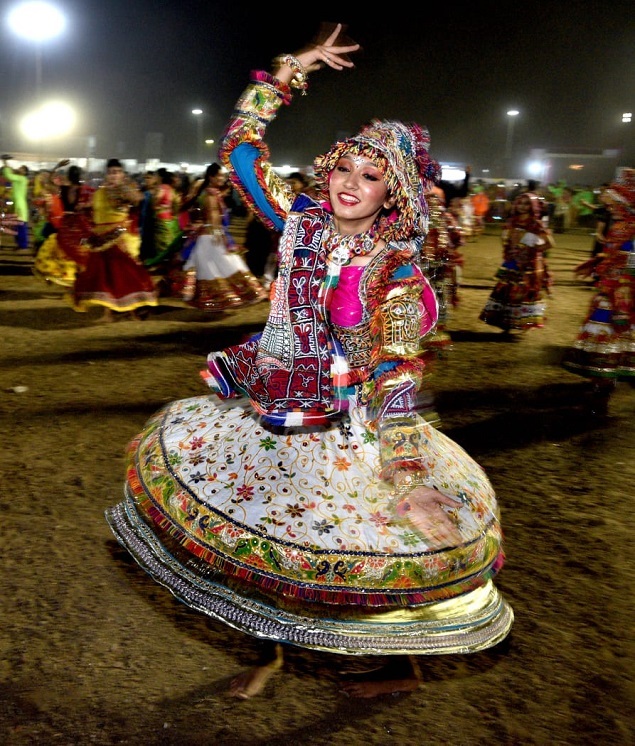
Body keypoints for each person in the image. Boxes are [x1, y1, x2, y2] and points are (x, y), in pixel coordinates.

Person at [105, 24, 513, 700]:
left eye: (371, 175)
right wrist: (288, 72)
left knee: (332, 555)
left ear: (395, 193)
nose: (351, 184)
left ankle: (388, 664)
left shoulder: (397, 280)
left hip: (344, 431)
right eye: (343, 169)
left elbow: (398, 378)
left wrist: (406, 474)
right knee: (259, 541)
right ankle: (273, 653)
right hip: (271, 408)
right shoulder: (301, 221)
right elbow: (239, 152)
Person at [562, 169, 635, 415]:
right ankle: (601, 387)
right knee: (608, 338)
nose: (611, 207)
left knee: (615, 337)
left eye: (616, 203)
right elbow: (618, 256)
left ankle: (602, 390)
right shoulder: (621, 226)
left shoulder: (632, 229)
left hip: (622, 296)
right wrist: (597, 261)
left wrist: (621, 294)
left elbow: (631, 264)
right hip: (610, 291)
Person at [71, 158, 158, 322]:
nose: (113, 175)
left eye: (117, 172)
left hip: (119, 238)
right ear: (106, 174)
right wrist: (84, 208)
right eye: (111, 172)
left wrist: (122, 186)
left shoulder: (122, 190)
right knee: (103, 276)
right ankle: (109, 313)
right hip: (101, 238)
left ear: (122, 174)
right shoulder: (100, 192)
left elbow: (137, 199)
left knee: (125, 275)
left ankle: (133, 309)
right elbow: (95, 208)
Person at [180, 162, 268, 310]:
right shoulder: (210, 194)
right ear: (211, 177)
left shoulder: (211, 192)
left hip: (207, 237)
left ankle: (218, 297)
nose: (222, 178)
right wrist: (219, 234)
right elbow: (213, 215)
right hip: (211, 237)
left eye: (223, 175)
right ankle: (243, 293)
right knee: (228, 264)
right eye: (219, 175)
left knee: (213, 266)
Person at [479, 192, 555, 333]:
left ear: (533, 206)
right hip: (511, 263)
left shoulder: (535, 224)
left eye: (526, 203)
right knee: (505, 290)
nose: (522, 206)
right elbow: (504, 239)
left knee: (522, 293)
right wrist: (510, 249)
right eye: (520, 203)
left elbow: (550, 243)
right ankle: (506, 322)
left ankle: (523, 322)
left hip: (528, 266)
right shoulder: (512, 222)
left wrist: (533, 250)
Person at [1, 156, 30, 253]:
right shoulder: (20, 179)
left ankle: (23, 246)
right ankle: (20, 245)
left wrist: (5, 161)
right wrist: (6, 162)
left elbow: (9, 175)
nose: (19, 169)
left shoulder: (22, 179)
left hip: (20, 207)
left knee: (20, 226)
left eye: (22, 168)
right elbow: (10, 174)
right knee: (17, 226)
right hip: (17, 205)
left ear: (25, 173)